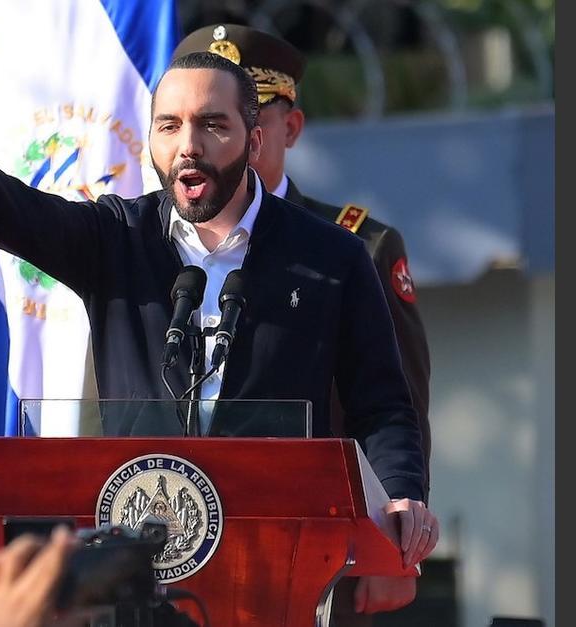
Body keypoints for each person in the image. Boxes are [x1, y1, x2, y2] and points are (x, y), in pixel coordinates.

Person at [0, 47, 438, 601]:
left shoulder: (332, 257)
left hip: (275, 565)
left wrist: (404, 492)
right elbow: (15, 213)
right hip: (139, 568)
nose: (188, 146)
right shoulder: (116, 237)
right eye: (170, 125)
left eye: (212, 125)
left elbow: (383, 404)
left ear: (254, 141)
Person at [171, 24, 434, 622]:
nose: (225, 136)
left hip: (319, 543)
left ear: (286, 129)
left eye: (243, 116)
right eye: (206, 118)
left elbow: (400, 403)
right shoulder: (158, 240)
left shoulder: (354, 247)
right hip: (180, 533)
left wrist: (398, 545)